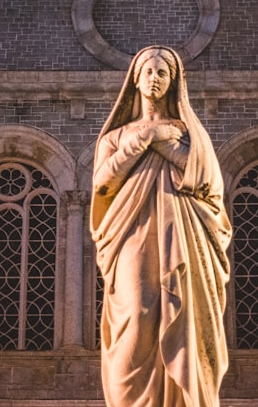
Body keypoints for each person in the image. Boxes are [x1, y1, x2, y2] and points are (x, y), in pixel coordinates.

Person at [91, 45, 231, 407]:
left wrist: (160, 141)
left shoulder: (190, 133)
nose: (154, 79)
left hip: (182, 235)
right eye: (148, 72)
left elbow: (207, 182)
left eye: (162, 73)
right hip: (130, 233)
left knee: (183, 321)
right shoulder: (114, 138)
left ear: (173, 82)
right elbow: (102, 184)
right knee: (136, 315)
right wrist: (142, 141)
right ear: (135, 79)